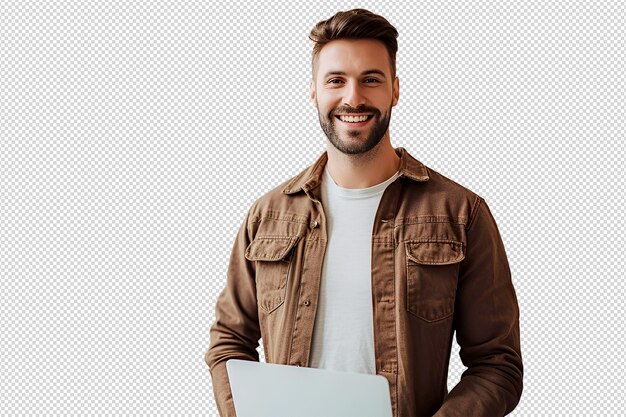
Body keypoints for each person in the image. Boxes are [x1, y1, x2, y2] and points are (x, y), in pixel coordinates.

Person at [205, 8, 523, 417]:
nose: (353, 97)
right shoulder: (268, 216)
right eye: (336, 80)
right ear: (314, 91)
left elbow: (497, 364)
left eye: (370, 79)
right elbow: (229, 341)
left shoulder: (461, 214)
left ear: (395, 89)